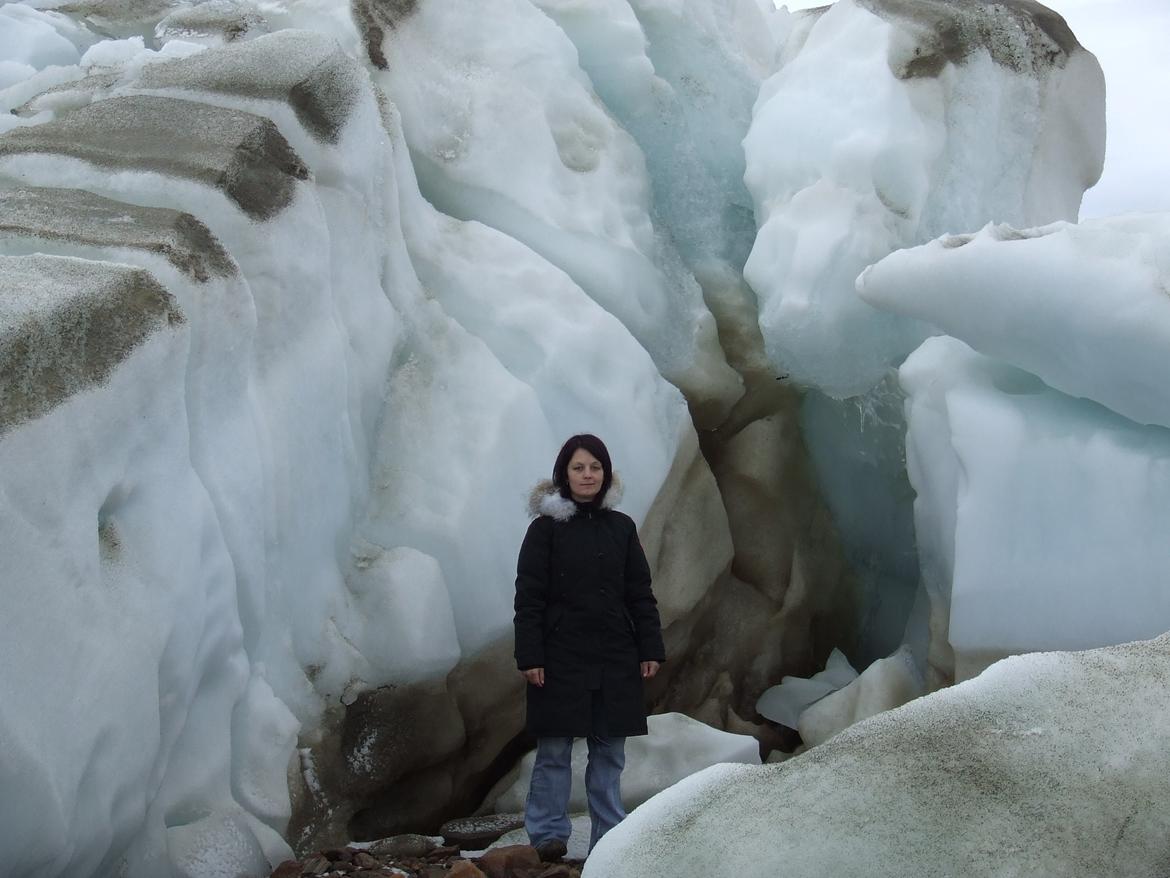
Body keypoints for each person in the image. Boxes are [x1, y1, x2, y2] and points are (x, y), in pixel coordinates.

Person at [513, 433, 665, 862]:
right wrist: (531, 655)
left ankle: (610, 838)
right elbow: (529, 597)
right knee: (555, 749)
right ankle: (547, 836)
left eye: (595, 467)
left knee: (610, 751)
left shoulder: (621, 528)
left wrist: (649, 647)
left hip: (615, 652)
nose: (587, 475)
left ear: (605, 474)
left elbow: (640, 593)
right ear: (564, 473)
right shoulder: (545, 531)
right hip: (560, 655)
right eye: (579, 467)